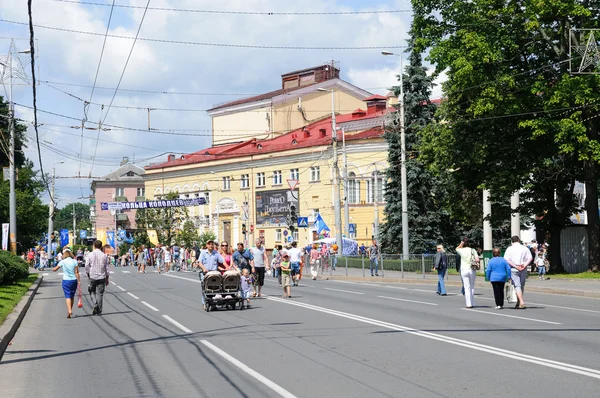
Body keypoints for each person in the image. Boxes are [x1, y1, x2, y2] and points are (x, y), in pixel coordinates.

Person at [504, 235, 532, 309]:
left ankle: (521, 301)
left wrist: (516, 266)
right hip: (523, 268)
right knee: (521, 285)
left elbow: (507, 259)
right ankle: (519, 301)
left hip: (514, 268)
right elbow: (530, 258)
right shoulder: (524, 248)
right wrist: (524, 265)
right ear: (519, 240)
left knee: (517, 285)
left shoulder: (509, 249)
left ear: (512, 241)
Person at [53, 248, 81, 318]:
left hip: (66, 280)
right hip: (74, 280)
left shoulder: (63, 261)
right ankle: (70, 310)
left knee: (67, 295)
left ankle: (69, 310)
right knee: (72, 296)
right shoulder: (75, 261)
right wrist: (79, 281)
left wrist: (53, 269)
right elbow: (77, 272)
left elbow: (55, 269)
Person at [85, 240, 109, 316]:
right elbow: (107, 268)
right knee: (100, 294)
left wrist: (88, 274)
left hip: (92, 276)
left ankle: (95, 304)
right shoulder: (104, 255)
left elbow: (86, 265)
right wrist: (107, 278)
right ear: (101, 246)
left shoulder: (90, 254)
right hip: (102, 276)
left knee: (91, 291)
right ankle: (99, 310)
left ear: (94, 245)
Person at [198, 240, 225, 308]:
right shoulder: (203, 252)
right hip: (205, 273)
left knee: (215, 287)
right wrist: (204, 268)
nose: (211, 245)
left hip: (214, 273)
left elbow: (222, 261)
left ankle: (213, 303)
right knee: (205, 287)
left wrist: (228, 267)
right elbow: (199, 262)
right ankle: (204, 303)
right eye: (209, 244)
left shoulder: (216, 253)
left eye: (212, 244)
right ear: (206, 245)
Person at [456, 238, 479, 308]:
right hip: (472, 269)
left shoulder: (461, 250)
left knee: (467, 287)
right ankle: (473, 303)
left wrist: (461, 244)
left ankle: (468, 304)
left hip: (464, 269)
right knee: (472, 286)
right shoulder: (473, 250)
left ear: (463, 243)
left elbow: (456, 248)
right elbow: (477, 259)